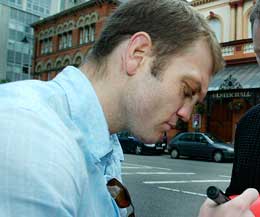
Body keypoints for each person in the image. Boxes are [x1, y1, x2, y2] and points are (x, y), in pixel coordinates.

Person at [0, 0, 258, 217]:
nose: (186, 115)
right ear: (137, 53)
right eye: (186, 90)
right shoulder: (32, 133)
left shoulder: (106, 147)